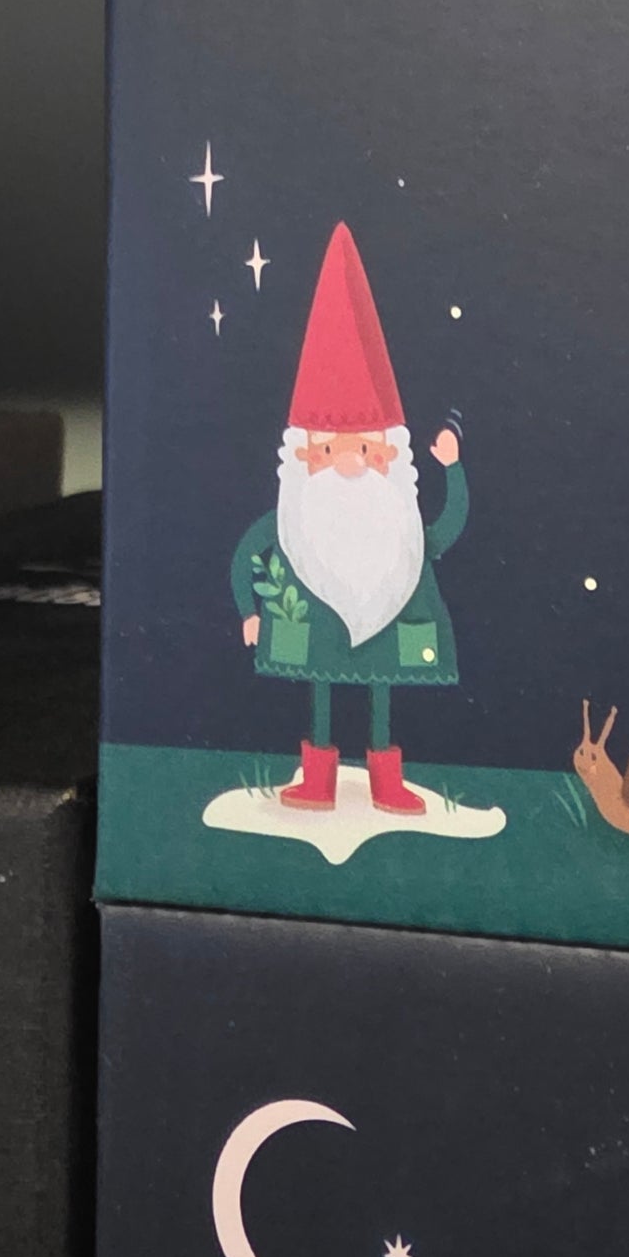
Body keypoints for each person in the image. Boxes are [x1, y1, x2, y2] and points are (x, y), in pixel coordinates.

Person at [230, 222, 467, 816]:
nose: (349, 463)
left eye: (363, 448)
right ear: (305, 456)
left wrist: (453, 471)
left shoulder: (402, 536)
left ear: (386, 455)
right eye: (331, 450)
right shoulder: (294, 527)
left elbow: (446, 529)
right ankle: (317, 782)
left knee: (382, 687)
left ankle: (387, 780)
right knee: (322, 687)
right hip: (312, 627)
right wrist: (249, 611)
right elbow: (247, 553)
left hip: (388, 623)